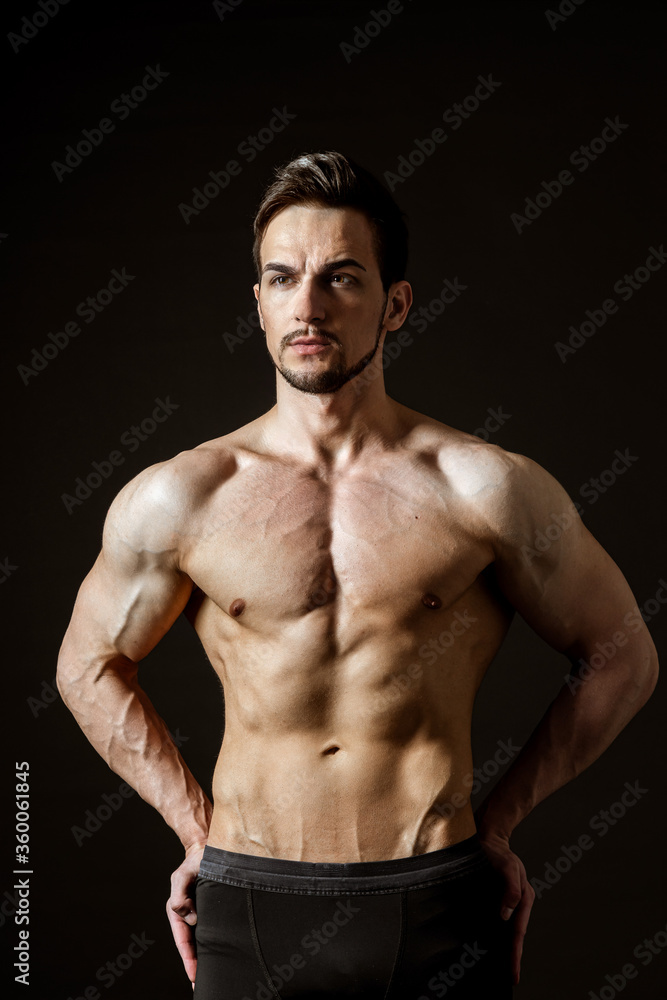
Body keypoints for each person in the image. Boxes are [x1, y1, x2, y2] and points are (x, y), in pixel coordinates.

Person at [57, 151, 658, 999]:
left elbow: (621, 654)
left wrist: (500, 825)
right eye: (281, 278)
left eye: (341, 277)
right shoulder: (181, 495)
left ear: (396, 304)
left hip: (438, 901)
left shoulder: (483, 486)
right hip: (250, 906)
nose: (308, 305)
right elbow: (85, 665)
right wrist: (195, 827)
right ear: (257, 304)